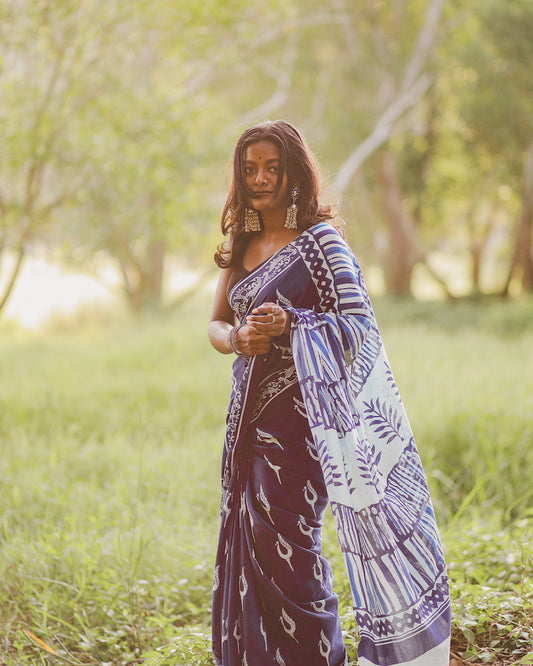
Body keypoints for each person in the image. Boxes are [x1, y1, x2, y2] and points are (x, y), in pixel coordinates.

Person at [208, 120, 451, 666]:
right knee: (250, 553)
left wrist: (295, 325)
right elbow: (216, 327)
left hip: (305, 431)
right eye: (250, 170)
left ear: (294, 171)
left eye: (272, 167)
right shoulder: (242, 244)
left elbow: (360, 328)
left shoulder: (322, 244)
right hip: (246, 428)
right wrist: (240, 337)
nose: (261, 179)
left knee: (293, 558)